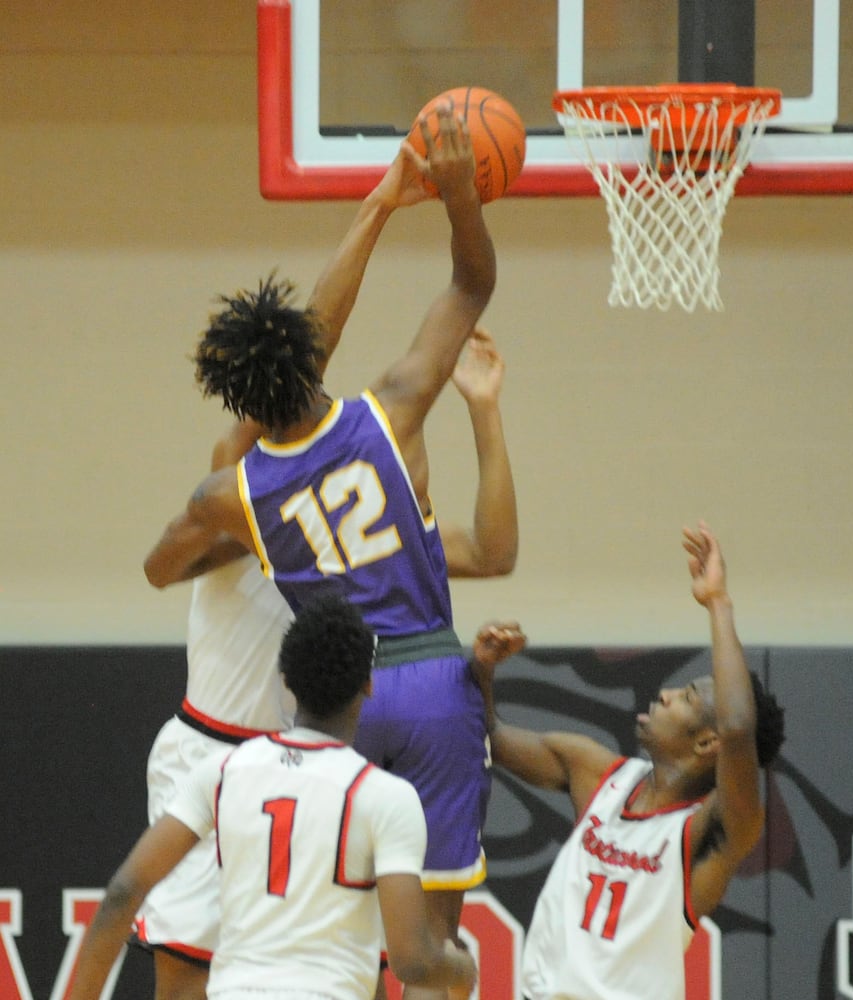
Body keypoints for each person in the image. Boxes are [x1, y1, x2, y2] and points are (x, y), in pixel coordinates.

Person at [139, 104, 499, 1000]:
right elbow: (469, 285)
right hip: (383, 697)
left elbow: (156, 561)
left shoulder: (236, 495)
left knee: (327, 952)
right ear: (310, 363)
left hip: (331, 724)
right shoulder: (388, 414)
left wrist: (224, 545)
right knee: (423, 955)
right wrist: (455, 201)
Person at [72, 594, 478, 1000]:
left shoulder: (223, 772)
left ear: (285, 679)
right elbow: (413, 961)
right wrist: (461, 967)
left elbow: (124, 892)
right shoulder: (386, 797)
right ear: (370, 684)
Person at [468, 522, 786, 1000]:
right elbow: (485, 736)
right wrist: (483, 667)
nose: (665, 693)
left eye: (687, 697)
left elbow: (739, 728)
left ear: (706, 744)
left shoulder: (709, 831)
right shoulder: (597, 773)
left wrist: (718, 602)